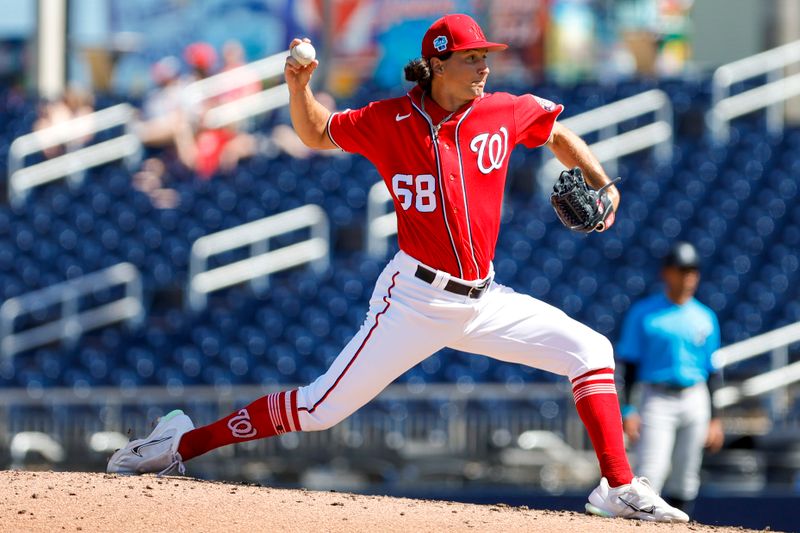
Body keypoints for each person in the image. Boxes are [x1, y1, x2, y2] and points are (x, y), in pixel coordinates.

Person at [107, 14, 688, 523]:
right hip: (413, 300)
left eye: (486, 57)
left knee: (592, 351)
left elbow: (557, 131)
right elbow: (314, 131)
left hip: (483, 299)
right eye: (472, 59)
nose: (484, 68)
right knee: (317, 409)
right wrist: (298, 86)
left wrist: (601, 180)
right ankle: (178, 441)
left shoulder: (502, 112)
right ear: (438, 63)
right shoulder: (389, 120)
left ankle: (617, 487)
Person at [617, 241, 724, 517]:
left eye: (693, 271)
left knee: (687, 477)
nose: (688, 276)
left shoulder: (705, 317)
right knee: (650, 473)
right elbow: (629, 365)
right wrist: (628, 409)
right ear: (667, 273)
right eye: (682, 270)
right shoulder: (645, 313)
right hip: (657, 397)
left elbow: (712, 372)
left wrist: (715, 418)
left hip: (695, 396)